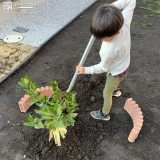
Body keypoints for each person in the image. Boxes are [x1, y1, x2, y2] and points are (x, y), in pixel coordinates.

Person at [76, 0, 136, 121]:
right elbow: (131, 1)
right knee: (114, 83)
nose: (100, 39)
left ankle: (104, 114)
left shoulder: (108, 50)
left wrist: (85, 70)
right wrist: (110, 8)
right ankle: (116, 91)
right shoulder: (123, 22)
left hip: (116, 72)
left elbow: (104, 68)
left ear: (116, 32)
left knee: (106, 93)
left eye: (103, 37)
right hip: (125, 65)